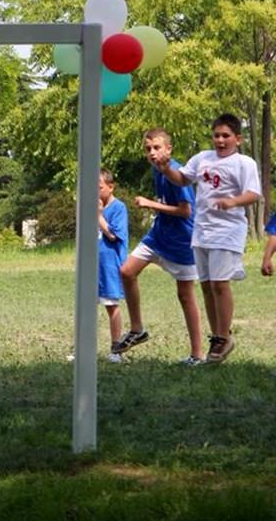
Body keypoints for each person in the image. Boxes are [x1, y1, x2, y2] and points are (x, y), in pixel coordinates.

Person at [154, 113, 260, 364]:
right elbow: (182, 178)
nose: (220, 140)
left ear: (238, 139)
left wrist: (233, 201)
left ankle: (224, 336)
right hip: (202, 230)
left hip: (228, 230)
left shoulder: (244, 163)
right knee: (206, 285)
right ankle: (218, 336)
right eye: (216, 135)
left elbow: (254, 193)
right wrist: (167, 168)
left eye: (226, 136)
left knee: (220, 283)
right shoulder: (202, 158)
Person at [116, 128, 203, 365]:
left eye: (156, 148)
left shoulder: (177, 172)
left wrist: (150, 204)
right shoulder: (157, 171)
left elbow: (186, 211)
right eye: (148, 149)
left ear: (168, 149)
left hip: (181, 241)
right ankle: (137, 329)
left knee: (185, 295)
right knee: (126, 271)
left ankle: (197, 354)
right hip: (158, 235)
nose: (152, 153)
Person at [97, 169, 128, 363]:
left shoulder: (118, 208)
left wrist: (99, 216)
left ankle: (116, 349)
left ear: (110, 187)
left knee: (111, 306)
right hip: (93, 264)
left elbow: (114, 235)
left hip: (110, 265)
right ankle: (83, 347)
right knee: (85, 307)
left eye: (99, 188)